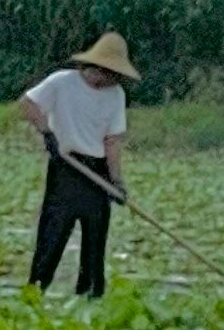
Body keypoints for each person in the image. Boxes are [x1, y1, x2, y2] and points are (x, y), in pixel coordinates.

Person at [17, 30, 138, 298]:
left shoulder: (115, 95)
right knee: (54, 233)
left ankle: (90, 294)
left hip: (97, 171)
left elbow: (112, 141)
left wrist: (116, 181)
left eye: (113, 76)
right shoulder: (62, 83)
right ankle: (36, 290)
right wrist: (48, 134)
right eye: (104, 73)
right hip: (66, 166)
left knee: (95, 239)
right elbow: (27, 104)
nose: (106, 80)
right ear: (92, 67)